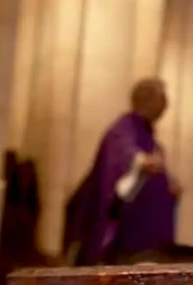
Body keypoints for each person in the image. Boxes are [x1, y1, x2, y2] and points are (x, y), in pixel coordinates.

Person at [62, 78, 181, 265]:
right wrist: (140, 161)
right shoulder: (124, 127)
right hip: (128, 234)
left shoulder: (148, 135)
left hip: (150, 233)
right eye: (163, 99)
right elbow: (122, 153)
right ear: (148, 99)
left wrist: (169, 184)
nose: (166, 106)